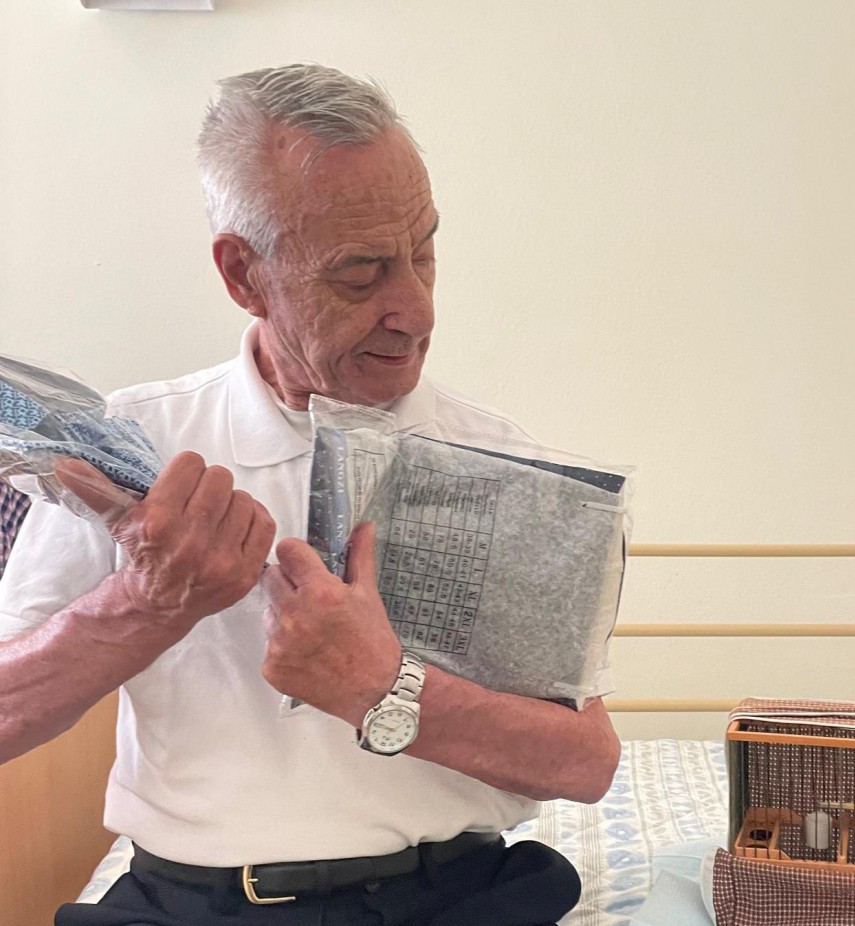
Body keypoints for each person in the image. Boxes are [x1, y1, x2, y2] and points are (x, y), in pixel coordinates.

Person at [0, 64, 621, 925]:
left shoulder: (501, 461)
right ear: (243, 275)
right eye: (362, 272)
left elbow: (585, 764)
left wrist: (383, 687)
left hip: (451, 901)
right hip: (186, 907)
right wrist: (145, 603)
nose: (415, 311)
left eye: (425, 252)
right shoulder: (126, 451)